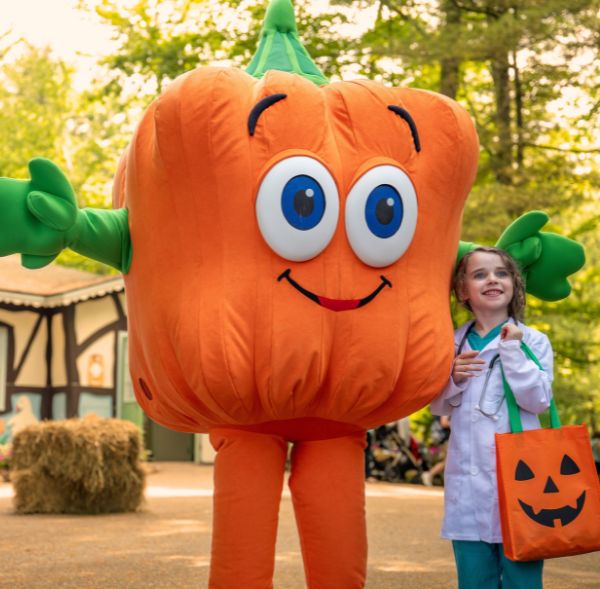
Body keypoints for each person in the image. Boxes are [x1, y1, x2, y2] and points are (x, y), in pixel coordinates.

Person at [430, 246, 553, 589]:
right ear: (462, 290)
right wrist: (453, 377)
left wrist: (512, 351)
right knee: (474, 580)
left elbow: (539, 400)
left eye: (501, 273)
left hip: (522, 483)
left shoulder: (534, 342)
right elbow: (436, 407)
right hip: (467, 486)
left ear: (514, 284)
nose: (492, 280)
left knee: (522, 581)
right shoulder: (450, 344)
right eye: (479, 274)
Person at [422, 415, 450, 486]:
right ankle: (429, 474)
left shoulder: (439, 409)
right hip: (442, 440)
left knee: (447, 461)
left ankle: (430, 475)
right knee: (447, 461)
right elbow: (444, 422)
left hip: (438, 440)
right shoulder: (447, 407)